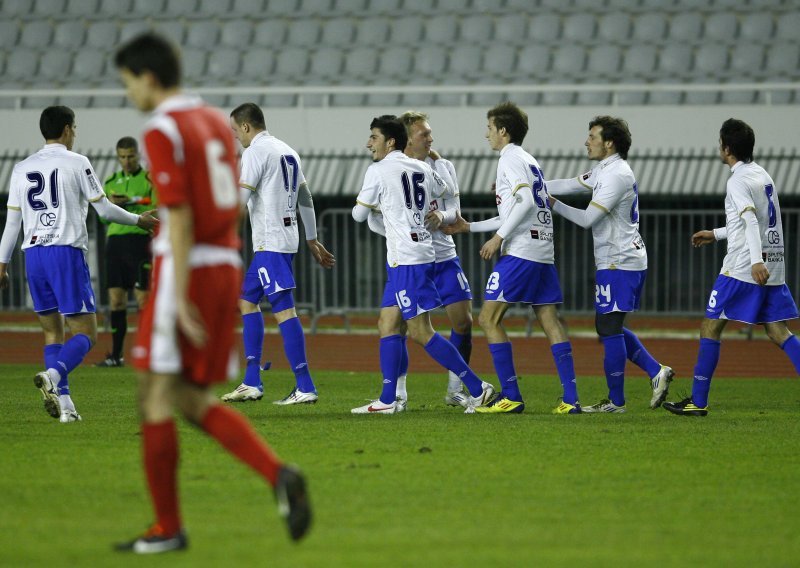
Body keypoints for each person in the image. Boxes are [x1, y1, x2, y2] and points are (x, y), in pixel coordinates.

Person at [113, 33, 310, 554]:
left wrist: (174, 293)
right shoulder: (209, 122)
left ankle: (167, 527)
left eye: (129, 82)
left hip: (191, 265)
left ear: (148, 78)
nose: (129, 92)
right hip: (226, 260)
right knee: (183, 396)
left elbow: (177, 214)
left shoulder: (164, 128)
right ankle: (277, 473)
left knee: (154, 393)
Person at [0, 106, 157, 424]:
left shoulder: (21, 168)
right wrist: (140, 220)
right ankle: (53, 376)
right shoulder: (77, 163)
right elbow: (106, 212)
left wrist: (1, 263)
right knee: (87, 332)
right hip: (65, 254)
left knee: (52, 334)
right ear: (68, 129)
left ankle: (67, 408)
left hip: (34, 257)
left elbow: (12, 225)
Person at [351, 115, 495, 414]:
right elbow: (443, 190)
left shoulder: (377, 170)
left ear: (390, 141)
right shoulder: (422, 168)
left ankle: (478, 388)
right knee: (388, 323)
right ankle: (390, 398)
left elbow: (358, 216)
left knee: (419, 331)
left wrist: (372, 206)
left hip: (408, 260)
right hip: (411, 255)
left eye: (373, 137)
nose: (368, 144)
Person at [443, 102, 581, 414]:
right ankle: (571, 399)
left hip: (521, 252)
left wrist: (498, 238)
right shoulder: (529, 160)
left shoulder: (510, 159)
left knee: (488, 319)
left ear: (503, 131)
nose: (487, 134)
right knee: (549, 319)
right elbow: (517, 209)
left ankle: (511, 396)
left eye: (490, 128)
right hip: (543, 249)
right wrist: (471, 227)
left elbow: (526, 202)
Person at [663, 119, 800, 416]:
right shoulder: (762, 175)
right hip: (774, 262)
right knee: (779, 331)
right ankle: (697, 401)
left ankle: (697, 402)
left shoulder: (736, 180)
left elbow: (750, 219)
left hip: (743, 266)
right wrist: (716, 233)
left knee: (711, 325)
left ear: (726, 149)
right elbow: (753, 221)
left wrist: (754, 261)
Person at [547, 116, 674, 413]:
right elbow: (570, 183)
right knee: (607, 325)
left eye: (592, 136)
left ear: (609, 143)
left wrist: (551, 203)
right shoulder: (604, 169)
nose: (586, 141)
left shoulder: (617, 174)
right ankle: (656, 371)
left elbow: (587, 219)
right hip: (615, 258)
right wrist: (530, 183)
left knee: (608, 326)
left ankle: (617, 401)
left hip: (621, 259)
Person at [222, 102, 334, 405]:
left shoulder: (255, 152)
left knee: (284, 310)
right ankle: (251, 380)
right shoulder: (287, 150)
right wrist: (312, 238)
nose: (236, 137)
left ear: (246, 126)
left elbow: (239, 201)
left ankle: (305, 385)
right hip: (281, 241)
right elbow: (305, 197)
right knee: (247, 302)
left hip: (271, 242)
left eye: (235, 131)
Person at [96, 136, 156, 368]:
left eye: (131, 156)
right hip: (116, 244)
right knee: (116, 301)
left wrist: (129, 202)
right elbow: (104, 214)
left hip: (141, 243)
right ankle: (116, 355)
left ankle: (148, 353)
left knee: (144, 299)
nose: (127, 161)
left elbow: (158, 206)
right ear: (117, 157)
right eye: (122, 157)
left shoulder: (150, 180)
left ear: (138, 154)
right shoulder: (110, 181)